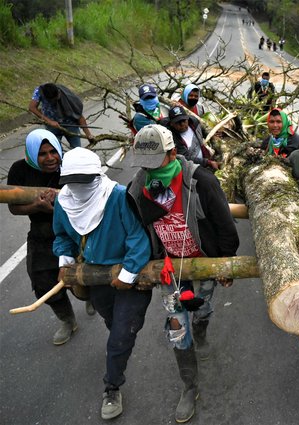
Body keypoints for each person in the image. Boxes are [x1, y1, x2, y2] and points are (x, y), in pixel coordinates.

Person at [128, 124, 240, 423]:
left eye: (156, 163)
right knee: (177, 326)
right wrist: (152, 261)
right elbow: (138, 230)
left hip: (202, 262)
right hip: (169, 269)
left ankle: (202, 325)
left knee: (200, 306)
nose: (149, 171)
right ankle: (189, 386)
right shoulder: (140, 188)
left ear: (173, 153)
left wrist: (223, 266)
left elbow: (226, 227)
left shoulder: (201, 182)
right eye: (145, 165)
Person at [52, 147, 152, 420]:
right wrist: (64, 261)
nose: (78, 188)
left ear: (96, 176)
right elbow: (62, 235)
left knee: (121, 332)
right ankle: (118, 344)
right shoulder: (64, 202)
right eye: (72, 182)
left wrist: (128, 274)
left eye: (84, 181)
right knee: (112, 322)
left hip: (129, 275)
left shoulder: (118, 197)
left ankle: (112, 386)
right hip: (95, 277)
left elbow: (137, 237)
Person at [7, 129, 81, 345]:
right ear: (31, 154)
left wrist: (57, 210)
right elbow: (14, 207)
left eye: (53, 151)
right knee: (42, 281)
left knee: (85, 275)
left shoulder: (70, 166)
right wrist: (36, 205)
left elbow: (84, 202)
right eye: (42, 154)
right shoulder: (20, 170)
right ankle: (67, 320)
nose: (50, 158)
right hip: (41, 233)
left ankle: (91, 297)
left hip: (72, 230)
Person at [28, 82, 94, 148]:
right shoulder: (39, 91)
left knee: (77, 149)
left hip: (70, 124)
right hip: (52, 126)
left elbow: (79, 116)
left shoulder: (66, 95)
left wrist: (88, 135)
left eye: (56, 99)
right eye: (52, 101)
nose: (54, 102)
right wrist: (49, 121)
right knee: (55, 150)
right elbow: (32, 107)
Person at [165, 105, 218, 170]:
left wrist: (216, 133)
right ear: (171, 124)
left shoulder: (194, 122)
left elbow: (206, 132)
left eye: (184, 121)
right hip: (191, 169)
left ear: (187, 119)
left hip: (205, 160)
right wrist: (207, 162)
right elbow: (184, 158)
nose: (182, 125)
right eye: (178, 122)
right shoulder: (171, 138)